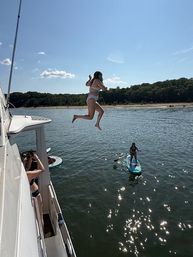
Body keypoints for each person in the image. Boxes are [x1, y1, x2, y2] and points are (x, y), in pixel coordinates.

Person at [22, 151, 45, 228]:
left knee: (36, 214)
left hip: (31, 194)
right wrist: (37, 158)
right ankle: (42, 230)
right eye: (29, 161)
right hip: (36, 194)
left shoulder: (23, 173)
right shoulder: (28, 174)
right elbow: (42, 169)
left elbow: (37, 170)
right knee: (40, 215)